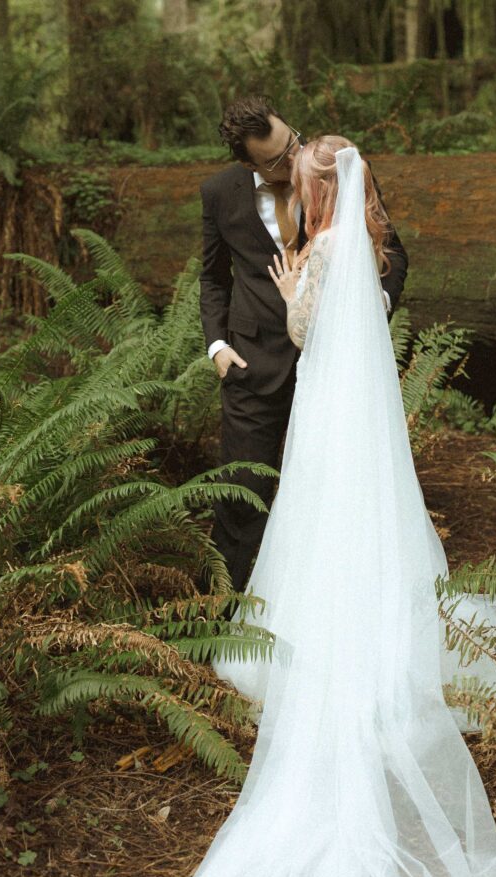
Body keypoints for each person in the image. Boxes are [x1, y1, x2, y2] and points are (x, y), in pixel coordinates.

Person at [74, 138, 496, 877]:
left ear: (319, 189)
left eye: (302, 186)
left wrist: (284, 291)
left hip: (323, 408)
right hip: (355, 411)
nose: (294, 197)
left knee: (314, 517)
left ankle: (324, 622)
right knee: (358, 515)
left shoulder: (322, 249)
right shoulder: (368, 247)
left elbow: (307, 334)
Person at [200, 95, 409, 593]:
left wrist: (367, 307)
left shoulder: (334, 166)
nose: (292, 158)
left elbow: (391, 248)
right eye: (275, 159)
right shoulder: (219, 193)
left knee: (330, 497)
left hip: (335, 368)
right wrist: (217, 347)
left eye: (291, 140)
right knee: (241, 496)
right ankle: (217, 619)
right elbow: (212, 278)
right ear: (247, 164)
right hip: (252, 364)